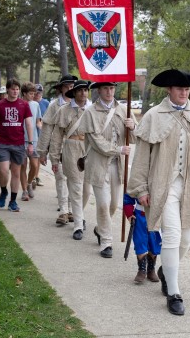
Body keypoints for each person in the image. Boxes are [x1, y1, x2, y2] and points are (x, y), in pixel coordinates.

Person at [127, 69, 190, 316]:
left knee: (186, 239)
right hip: (162, 184)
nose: (184, 92)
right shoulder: (153, 116)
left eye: (187, 89)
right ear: (169, 90)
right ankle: (174, 292)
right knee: (171, 235)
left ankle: (165, 270)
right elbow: (141, 158)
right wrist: (140, 188)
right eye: (179, 88)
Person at [78, 81, 136, 258]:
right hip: (98, 164)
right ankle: (106, 242)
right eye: (105, 88)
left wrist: (132, 126)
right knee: (102, 204)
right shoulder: (90, 112)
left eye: (112, 88)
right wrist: (118, 149)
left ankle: (99, 229)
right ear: (99, 90)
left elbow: (134, 137)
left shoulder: (123, 109)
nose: (109, 92)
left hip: (116, 165)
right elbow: (96, 141)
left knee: (112, 205)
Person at [49, 80, 92, 239]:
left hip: (89, 149)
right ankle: (78, 225)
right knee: (75, 187)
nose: (83, 93)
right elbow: (56, 137)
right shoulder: (63, 111)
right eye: (79, 90)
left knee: (86, 189)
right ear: (74, 93)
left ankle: (78, 213)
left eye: (85, 90)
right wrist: (54, 158)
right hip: (71, 149)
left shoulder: (93, 109)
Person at [0, 78, 34, 212]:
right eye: (13, 89)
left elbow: (29, 124)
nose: (15, 91)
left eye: (17, 89)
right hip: (3, 142)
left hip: (18, 143)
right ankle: (3, 191)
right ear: (7, 89)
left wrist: (30, 143)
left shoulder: (24, 105)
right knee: (3, 170)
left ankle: (13, 201)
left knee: (16, 173)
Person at [38, 74, 78, 225]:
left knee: (75, 180)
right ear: (61, 88)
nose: (70, 88)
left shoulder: (83, 104)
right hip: (58, 146)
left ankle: (74, 209)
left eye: (73, 85)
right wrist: (43, 151)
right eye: (67, 85)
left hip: (77, 148)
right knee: (61, 177)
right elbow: (47, 129)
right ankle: (63, 211)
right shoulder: (54, 105)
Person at [123, 193, 161, 284]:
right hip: (140, 216)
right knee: (140, 241)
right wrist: (129, 214)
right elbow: (128, 199)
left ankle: (151, 269)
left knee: (154, 242)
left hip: (155, 216)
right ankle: (141, 269)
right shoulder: (138, 181)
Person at [19, 82, 43, 201]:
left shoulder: (35, 105)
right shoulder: (18, 104)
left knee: (34, 166)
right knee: (23, 166)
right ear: (24, 93)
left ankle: (29, 183)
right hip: (20, 140)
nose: (33, 95)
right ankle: (24, 191)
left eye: (34, 93)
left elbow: (38, 121)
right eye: (31, 93)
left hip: (34, 140)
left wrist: (43, 129)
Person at [33, 83, 50, 187]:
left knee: (38, 157)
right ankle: (32, 177)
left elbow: (49, 117)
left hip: (41, 133)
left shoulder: (46, 103)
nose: (37, 94)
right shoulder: (29, 103)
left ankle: (36, 176)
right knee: (32, 158)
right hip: (30, 133)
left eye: (39, 92)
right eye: (36, 92)